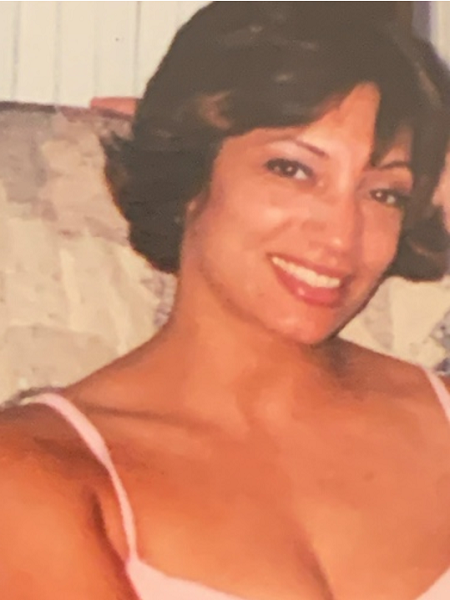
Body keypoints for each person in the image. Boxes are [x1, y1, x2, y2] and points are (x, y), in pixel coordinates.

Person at [2, 3, 450, 599]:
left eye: (384, 194)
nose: (341, 237)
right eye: (292, 169)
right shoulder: (41, 471)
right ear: (192, 175)